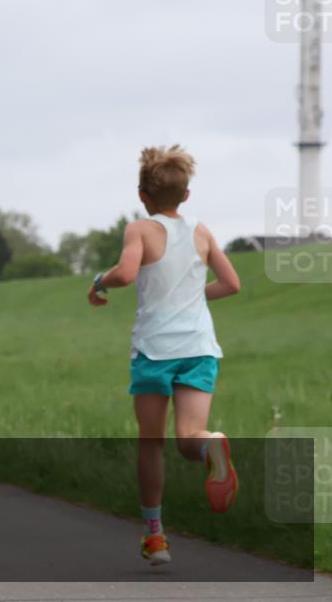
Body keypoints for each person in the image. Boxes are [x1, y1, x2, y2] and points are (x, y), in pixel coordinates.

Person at [88, 145, 241, 566]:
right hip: (199, 348)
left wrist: (98, 282)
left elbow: (125, 273)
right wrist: (191, 297)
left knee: (151, 443)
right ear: (186, 195)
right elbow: (231, 284)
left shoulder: (139, 229)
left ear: (142, 194)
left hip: (155, 350)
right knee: (190, 438)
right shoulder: (201, 231)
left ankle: (155, 537)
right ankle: (211, 445)